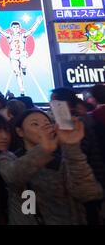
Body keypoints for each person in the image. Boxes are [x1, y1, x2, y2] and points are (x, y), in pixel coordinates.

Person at [0, 109, 103, 224]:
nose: (44, 128)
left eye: (47, 124)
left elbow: (88, 193)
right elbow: (13, 177)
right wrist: (43, 150)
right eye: (35, 124)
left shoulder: (65, 159)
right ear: (20, 132)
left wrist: (72, 147)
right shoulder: (9, 158)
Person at [51, 88, 105, 224]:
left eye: (54, 102)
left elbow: (82, 152)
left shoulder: (77, 124)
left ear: (65, 104)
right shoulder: (83, 120)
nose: (52, 106)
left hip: (90, 179)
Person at [0, 15, 44, 96]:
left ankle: (24, 69)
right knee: (17, 73)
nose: (16, 29)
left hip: (22, 55)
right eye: (14, 27)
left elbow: (31, 31)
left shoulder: (23, 35)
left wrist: (38, 22)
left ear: (19, 28)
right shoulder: (10, 36)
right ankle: (22, 89)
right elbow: (0, 30)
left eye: (17, 27)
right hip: (13, 57)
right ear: (11, 28)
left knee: (23, 65)